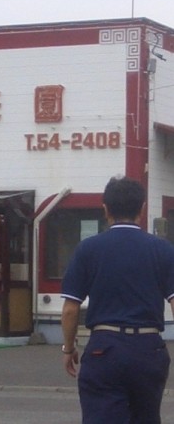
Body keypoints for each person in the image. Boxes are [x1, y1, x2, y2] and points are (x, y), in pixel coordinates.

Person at [61, 175, 174, 424]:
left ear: (106, 209)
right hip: (149, 348)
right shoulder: (163, 249)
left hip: (104, 347)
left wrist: (68, 348)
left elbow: (70, 309)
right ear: (142, 208)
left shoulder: (88, 249)